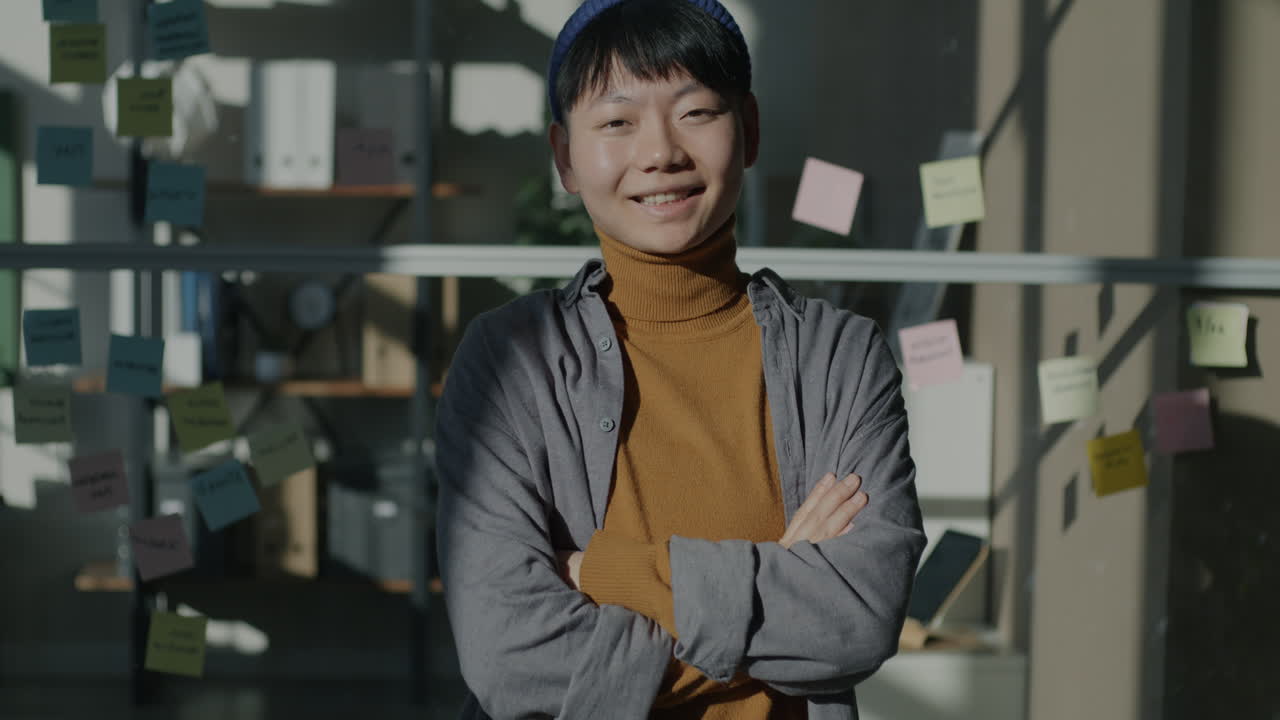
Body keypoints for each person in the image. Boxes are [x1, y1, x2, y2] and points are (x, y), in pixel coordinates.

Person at [434, 1, 926, 718]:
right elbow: (509, 658)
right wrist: (778, 595)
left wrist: (600, 573)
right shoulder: (509, 361)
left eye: (695, 112)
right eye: (616, 122)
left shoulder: (838, 358)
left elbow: (859, 616)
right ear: (565, 156)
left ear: (749, 130)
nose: (660, 152)